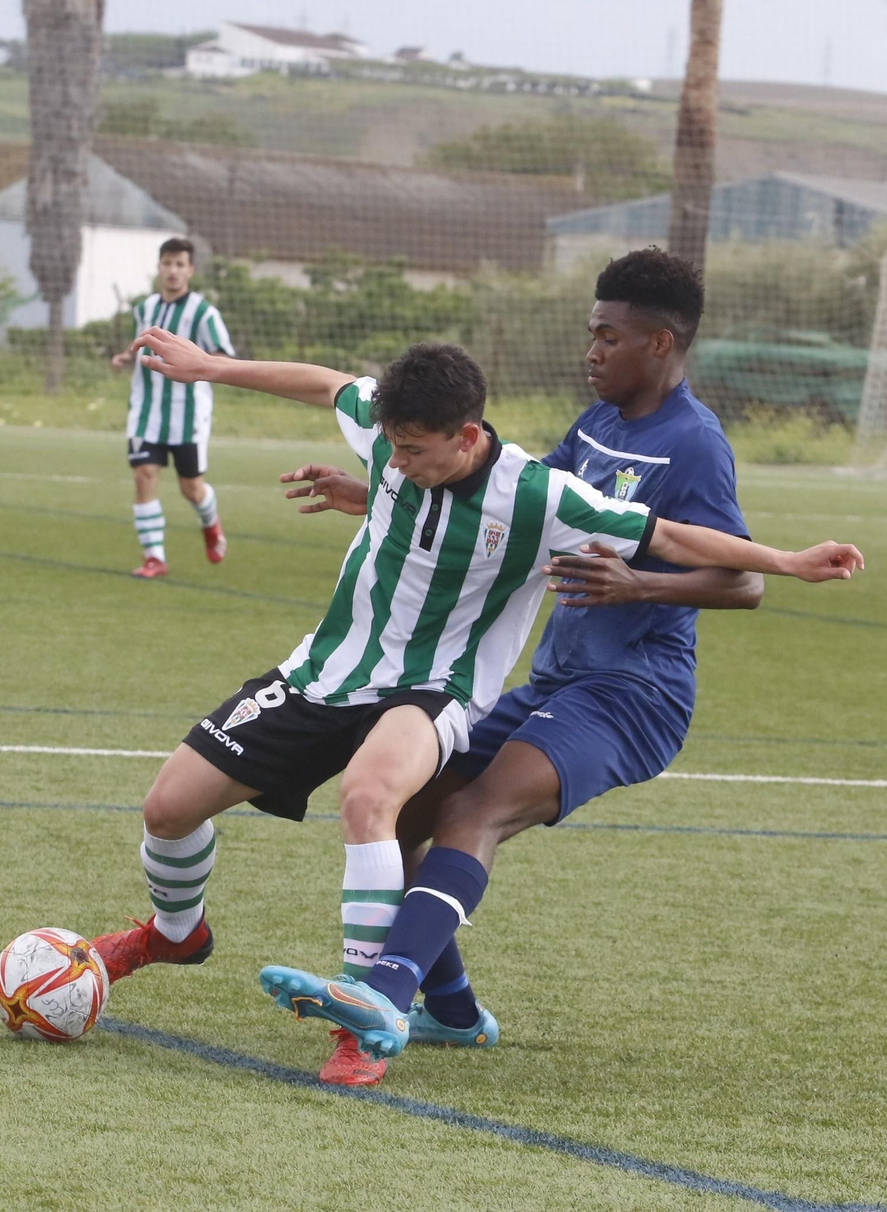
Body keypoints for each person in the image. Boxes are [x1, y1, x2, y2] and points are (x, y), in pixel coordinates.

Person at [85, 334, 865, 1014]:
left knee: (371, 798)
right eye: (389, 445)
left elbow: (674, 535)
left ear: (464, 436)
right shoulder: (391, 435)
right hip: (325, 670)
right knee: (168, 808)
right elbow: (326, 384)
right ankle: (176, 936)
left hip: (433, 689)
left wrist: (788, 562)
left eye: (413, 451)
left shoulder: (539, 495)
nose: (395, 460)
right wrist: (209, 368)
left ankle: (364, 1003)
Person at [272, 248, 766, 1087]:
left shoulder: (695, 444)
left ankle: (383, 995)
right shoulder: (597, 426)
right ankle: (453, 1013)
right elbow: (519, 513)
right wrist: (384, 496)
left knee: (475, 811)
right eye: (591, 333)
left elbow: (746, 580)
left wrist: (638, 582)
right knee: (404, 808)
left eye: (609, 337)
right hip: (554, 682)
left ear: (660, 344)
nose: (592, 350)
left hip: (634, 693)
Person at [110, 237, 235, 576]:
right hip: (145, 411)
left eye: (180, 264)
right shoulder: (145, 309)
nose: (173, 271)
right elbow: (141, 343)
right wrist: (126, 356)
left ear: (190, 270)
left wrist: (199, 361)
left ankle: (211, 525)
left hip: (188, 414)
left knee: (191, 489)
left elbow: (224, 356)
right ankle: (154, 557)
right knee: (144, 475)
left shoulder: (204, 313)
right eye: (167, 263)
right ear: (159, 267)